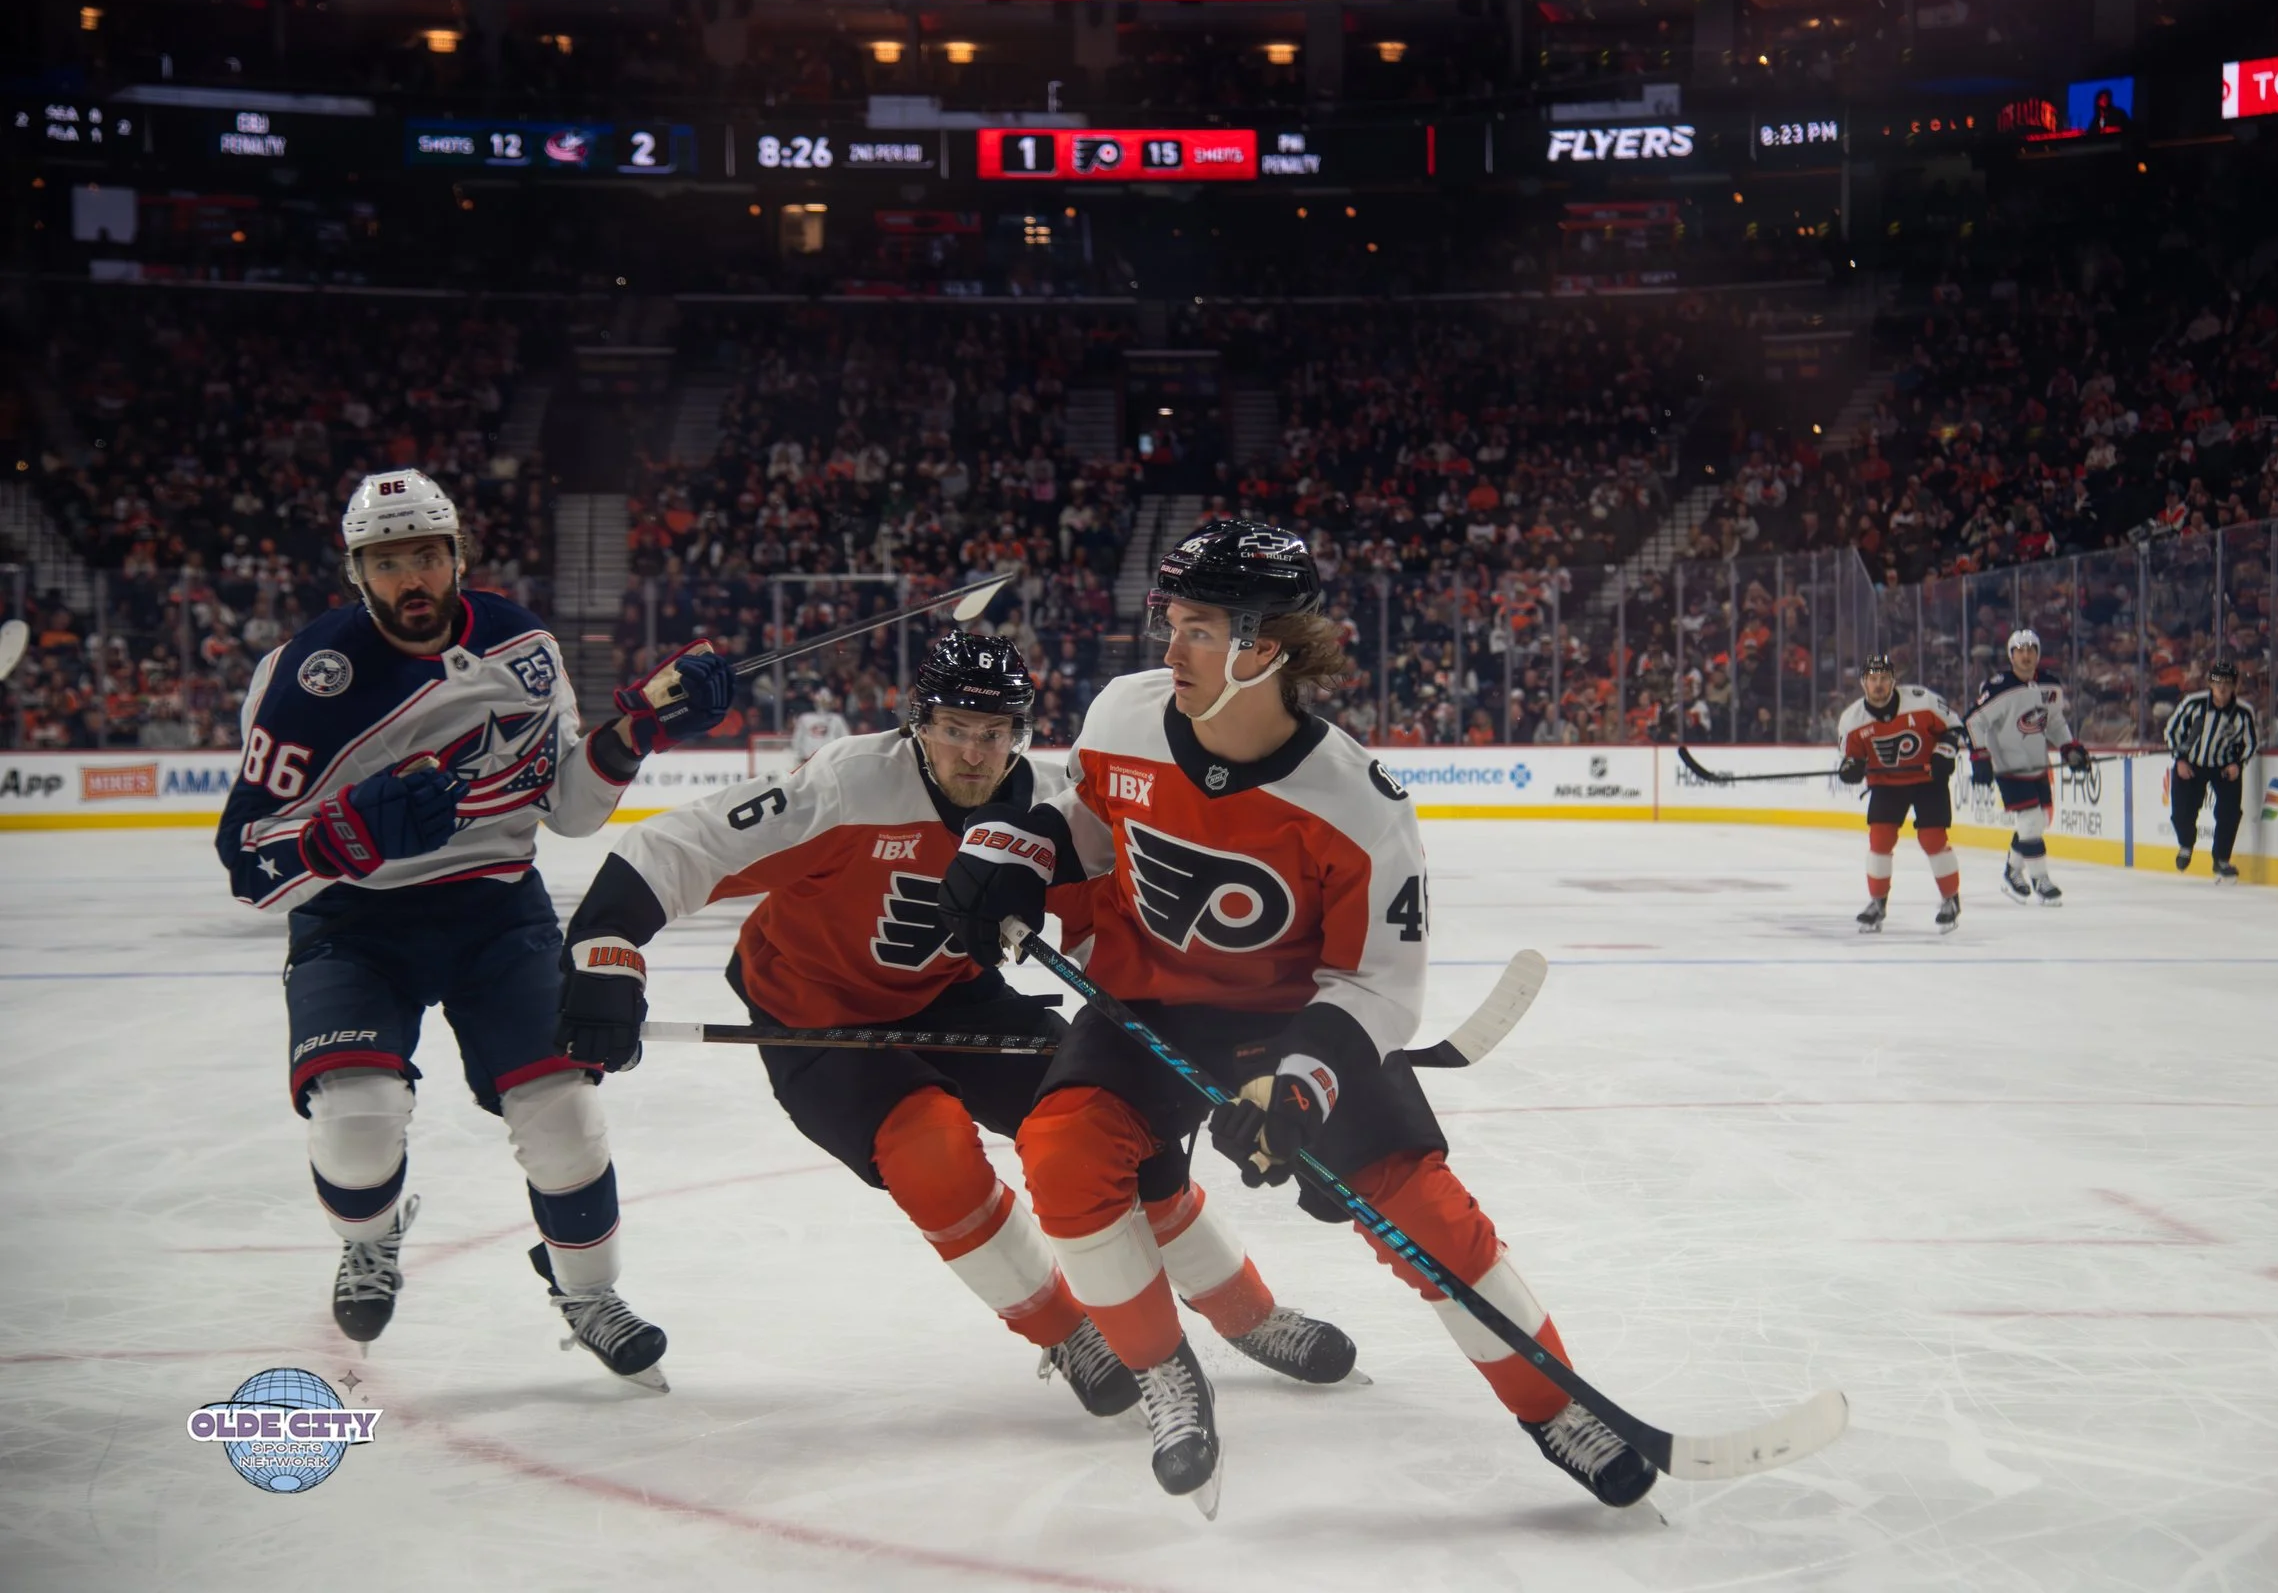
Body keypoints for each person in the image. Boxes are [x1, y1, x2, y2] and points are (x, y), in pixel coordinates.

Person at [937, 521, 1659, 1516]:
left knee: (1422, 1210)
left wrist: (1299, 1084)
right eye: (1172, 624)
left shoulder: (1360, 804)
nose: (1170, 650)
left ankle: (1554, 1407)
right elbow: (1087, 821)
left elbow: (1378, 985)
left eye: (1196, 629)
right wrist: (1013, 850)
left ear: (1262, 647)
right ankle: (1163, 1369)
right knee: (1060, 1150)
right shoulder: (1123, 716)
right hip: (1146, 996)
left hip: (1297, 1022)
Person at [553, 631, 1357, 1421]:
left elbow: (1138, 914)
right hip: (816, 1012)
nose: (973, 752)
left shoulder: (1046, 806)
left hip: (953, 997)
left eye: (994, 732)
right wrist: (606, 950)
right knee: (933, 1155)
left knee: (1119, 1131)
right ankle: (1069, 1333)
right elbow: (676, 847)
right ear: (918, 724)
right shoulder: (846, 787)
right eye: (952, 729)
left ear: (1021, 734)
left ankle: (1248, 1314)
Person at [213, 469, 735, 1387]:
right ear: (355, 572)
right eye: (386, 562)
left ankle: (589, 1294)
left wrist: (637, 731)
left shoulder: (523, 645)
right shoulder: (305, 679)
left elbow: (568, 810)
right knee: (357, 1123)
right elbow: (248, 860)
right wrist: (340, 836)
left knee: (565, 1117)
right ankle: (370, 1241)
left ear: (457, 555)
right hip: (354, 920)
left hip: (496, 906)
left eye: (425, 554)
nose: (410, 578)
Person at [1838, 654, 1964, 933]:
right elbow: (1851, 758)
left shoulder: (1922, 700)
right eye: (1873, 679)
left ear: (1894, 681)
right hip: (1886, 783)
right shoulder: (1851, 720)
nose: (1879, 684)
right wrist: (1851, 768)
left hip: (1928, 780)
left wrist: (1945, 752)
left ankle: (1950, 900)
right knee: (1880, 841)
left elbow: (1954, 727)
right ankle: (1877, 903)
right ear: (1863, 683)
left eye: (1884, 678)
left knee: (1933, 839)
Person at [1964, 628, 2092, 905]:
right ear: (2011, 656)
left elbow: (2054, 722)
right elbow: (1973, 721)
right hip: (2008, 767)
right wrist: (1980, 756)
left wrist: (2069, 747)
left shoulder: (2050, 685)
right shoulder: (1999, 687)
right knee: (2031, 821)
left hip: (2036, 764)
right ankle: (2041, 881)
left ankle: (2012, 872)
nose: (2026, 655)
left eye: (2031, 650)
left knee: (2039, 820)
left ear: (2038, 654)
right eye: (2019, 650)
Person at [2163, 662, 2259, 880]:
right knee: (2181, 812)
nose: (2222, 688)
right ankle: (2186, 844)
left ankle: (2221, 860)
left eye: (2227, 683)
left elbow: (2251, 743)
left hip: (2224, 767)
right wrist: (2179, 759)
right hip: (2191, 764)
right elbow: (2172, 730)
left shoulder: (2243, 712)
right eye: (2217, 683)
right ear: (2209, 684)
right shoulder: (2193, 704)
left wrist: (2238, 764)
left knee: (2230, 813)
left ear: (2235, 685)